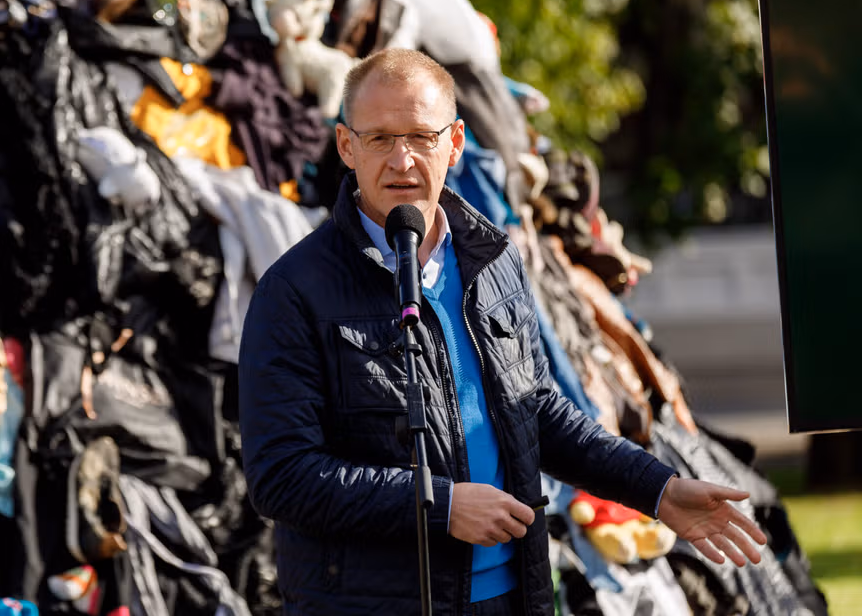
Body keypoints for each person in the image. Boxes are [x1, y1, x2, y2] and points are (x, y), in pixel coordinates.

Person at [238, 48, 767, 616]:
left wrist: (657, 489)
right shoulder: (292, 290)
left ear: (456, 141)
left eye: (421, 136)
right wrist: (438, 506)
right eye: (380, 139)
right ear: (346, 146)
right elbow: (283, 476)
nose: (403, 160)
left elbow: (534, 411)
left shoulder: (493, 261)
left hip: (514, 594)